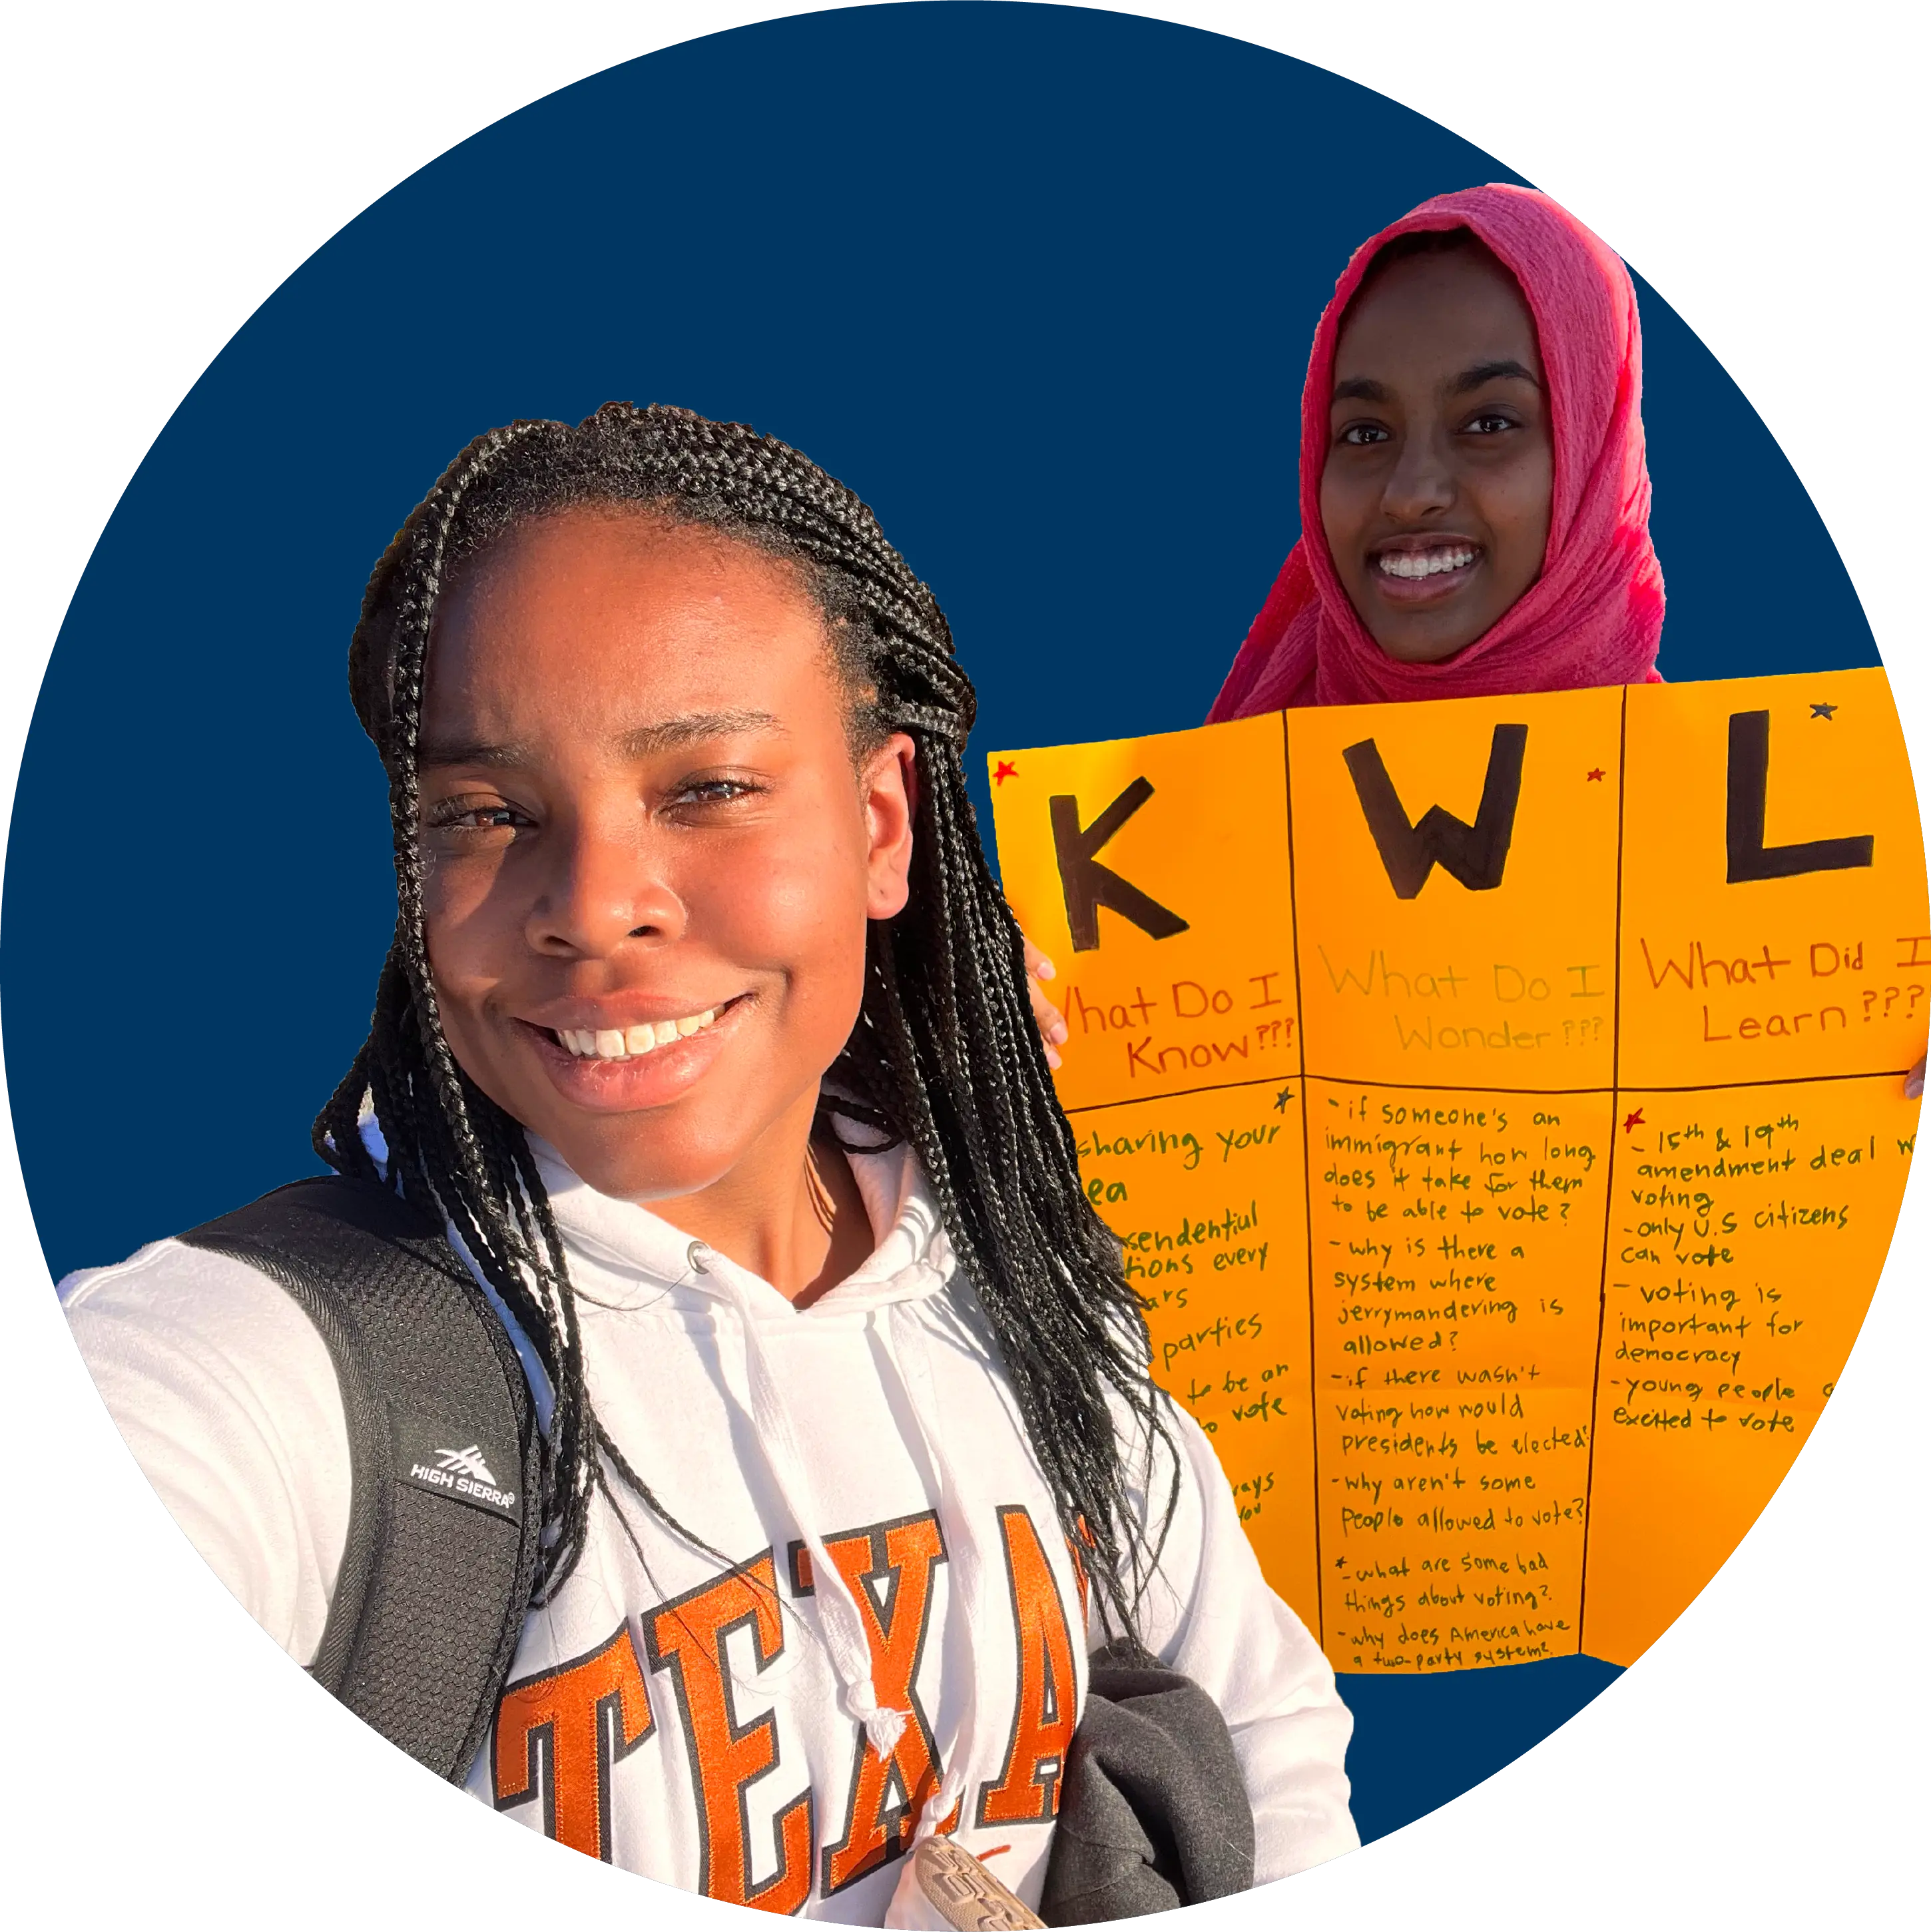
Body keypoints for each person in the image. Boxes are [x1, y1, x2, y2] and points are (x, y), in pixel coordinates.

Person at [57, 404, 1357, 1917]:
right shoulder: (284, 1374)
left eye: (705, 789)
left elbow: (1264, 1733)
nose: (596, 902)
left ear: (880, 825)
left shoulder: (1014, 1270)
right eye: (488, 812)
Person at [1023, 182, 1929, 1098]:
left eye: (1489, 423)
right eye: (1365, 432)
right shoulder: (1147, 875)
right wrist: (993, 1016)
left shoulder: (1782, 889)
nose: (1412, 488)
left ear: (1591, 453)